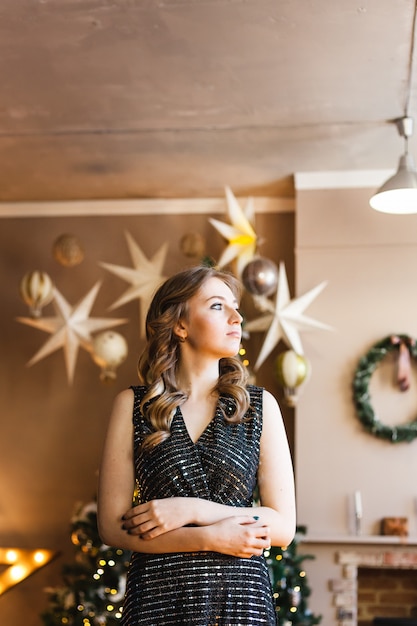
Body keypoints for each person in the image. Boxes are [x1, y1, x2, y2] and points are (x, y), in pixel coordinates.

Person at [97, 264, 296, 626]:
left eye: (236, 306)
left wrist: (191, 511)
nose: (237, 317)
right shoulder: (133, 405)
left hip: (240, 602)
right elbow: (111, 527)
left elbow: (282, 526)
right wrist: (210, 538)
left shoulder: (259, 405)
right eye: (218, 306)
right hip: (158, 600)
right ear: (180, 325)